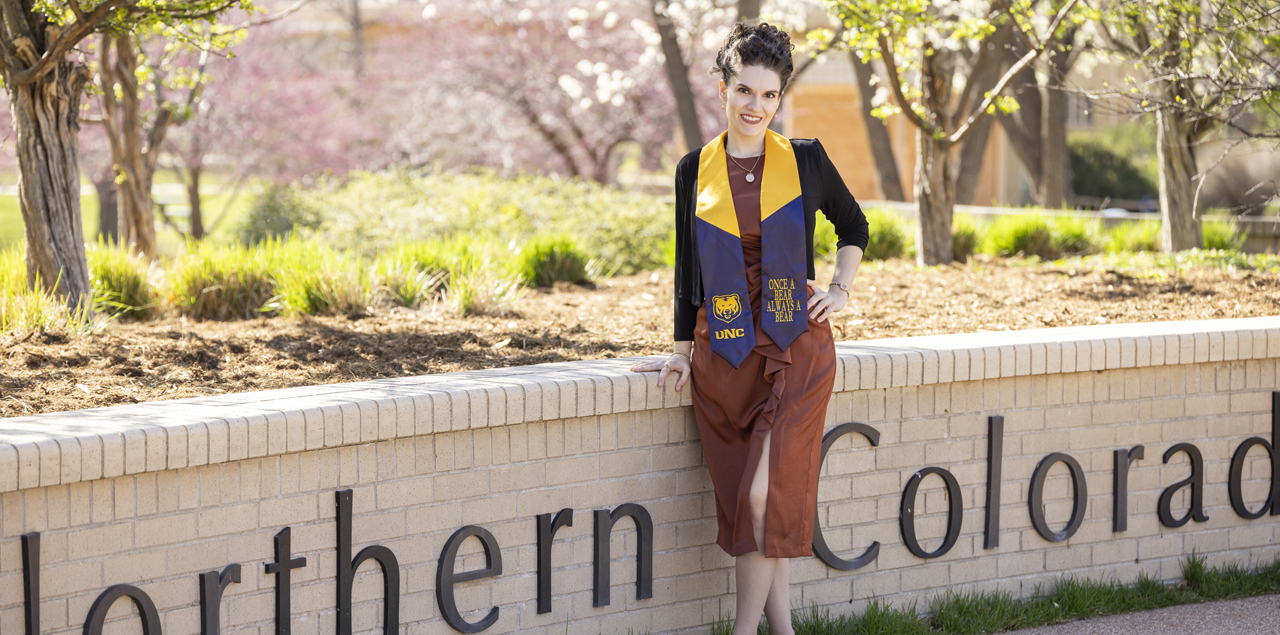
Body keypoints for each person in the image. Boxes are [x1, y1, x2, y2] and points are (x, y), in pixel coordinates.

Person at [630, 20, 869, 635]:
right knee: (759, 502)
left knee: (764, 494)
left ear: (781, 96)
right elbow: (689, 268)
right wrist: (680, 352)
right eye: (744, 91)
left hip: (795, 344)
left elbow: (854, 227)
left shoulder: (806, 161)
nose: (755, 106)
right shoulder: (695, 169)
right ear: (722, 89)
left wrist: (839, 290)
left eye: (768, 95)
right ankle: (782, 630)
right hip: (727, 353)